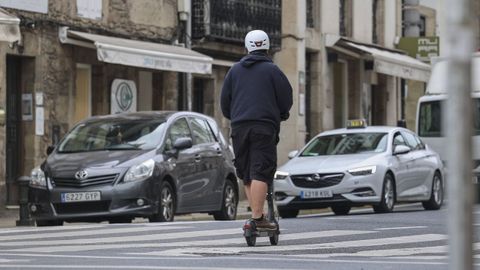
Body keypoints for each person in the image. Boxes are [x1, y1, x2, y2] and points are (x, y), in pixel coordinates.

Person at [220, 30, 293, 230]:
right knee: (261, 169)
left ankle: (255, 215)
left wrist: (234, 116)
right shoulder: (273, 71)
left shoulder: (234, 71)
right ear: (266, 47)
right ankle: (257, 218)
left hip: (239, 127)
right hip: (264, 126)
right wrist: (282, 113)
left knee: (246, 171)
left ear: (247, 47)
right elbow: (286, 98)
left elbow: (224, 102)